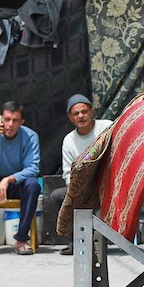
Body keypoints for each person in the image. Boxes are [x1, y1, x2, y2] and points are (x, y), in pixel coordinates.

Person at [47, 94, 113, 255]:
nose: (81, 116)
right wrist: (76, 193)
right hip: (82, 187)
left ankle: (109, 239)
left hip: (108, 182)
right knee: (57, 196)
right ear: (70, 117)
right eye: (76, 114)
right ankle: (76, 242)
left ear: (91, 112)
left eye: (84, 111)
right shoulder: (69, 140)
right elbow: (67, 172)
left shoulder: (107, 127)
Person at [0, 100, 41, 256]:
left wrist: (8, 179)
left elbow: (33, 168)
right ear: (0, 119)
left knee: (33, 185)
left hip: (17, 182)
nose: (10, 124)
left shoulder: (30, 136)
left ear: (21, 122)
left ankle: (22, 240)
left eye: (15, 120)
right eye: (7, 119)